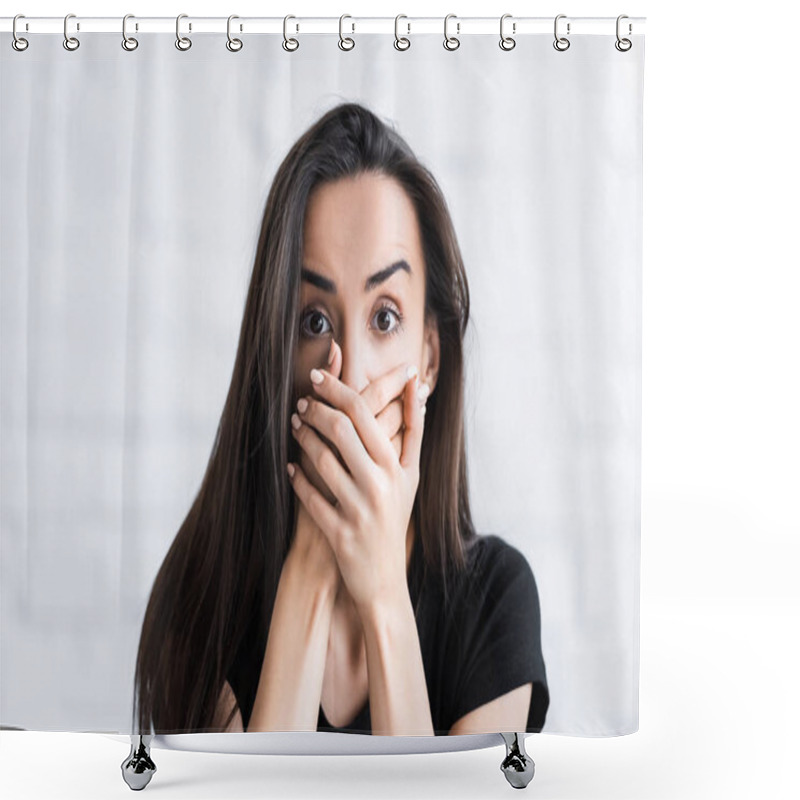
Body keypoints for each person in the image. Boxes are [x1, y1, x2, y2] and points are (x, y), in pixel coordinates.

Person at [132, 101, 548, 736]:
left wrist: (382, 591)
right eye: (314, 322)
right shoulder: (198, 602)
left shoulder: (496, 601)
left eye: (385, 317)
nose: (350, 377)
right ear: (277, 356)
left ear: (429, 360)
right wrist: (311, 567)